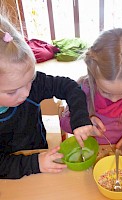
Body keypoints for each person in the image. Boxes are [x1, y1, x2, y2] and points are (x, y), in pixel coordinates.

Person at [0, 12, 100, 179]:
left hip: (39, 153)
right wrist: (34, 163)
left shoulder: (31, 86)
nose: (26, 93)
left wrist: (80, 118)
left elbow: (70, 87)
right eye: (12, 91)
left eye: (30, 80)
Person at [60, 28, 122, 159]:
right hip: (90, 154)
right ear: (93, 75)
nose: (114, 100)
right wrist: (83, 123)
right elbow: (63, 122)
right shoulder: (83, 89)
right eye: (105, 91)